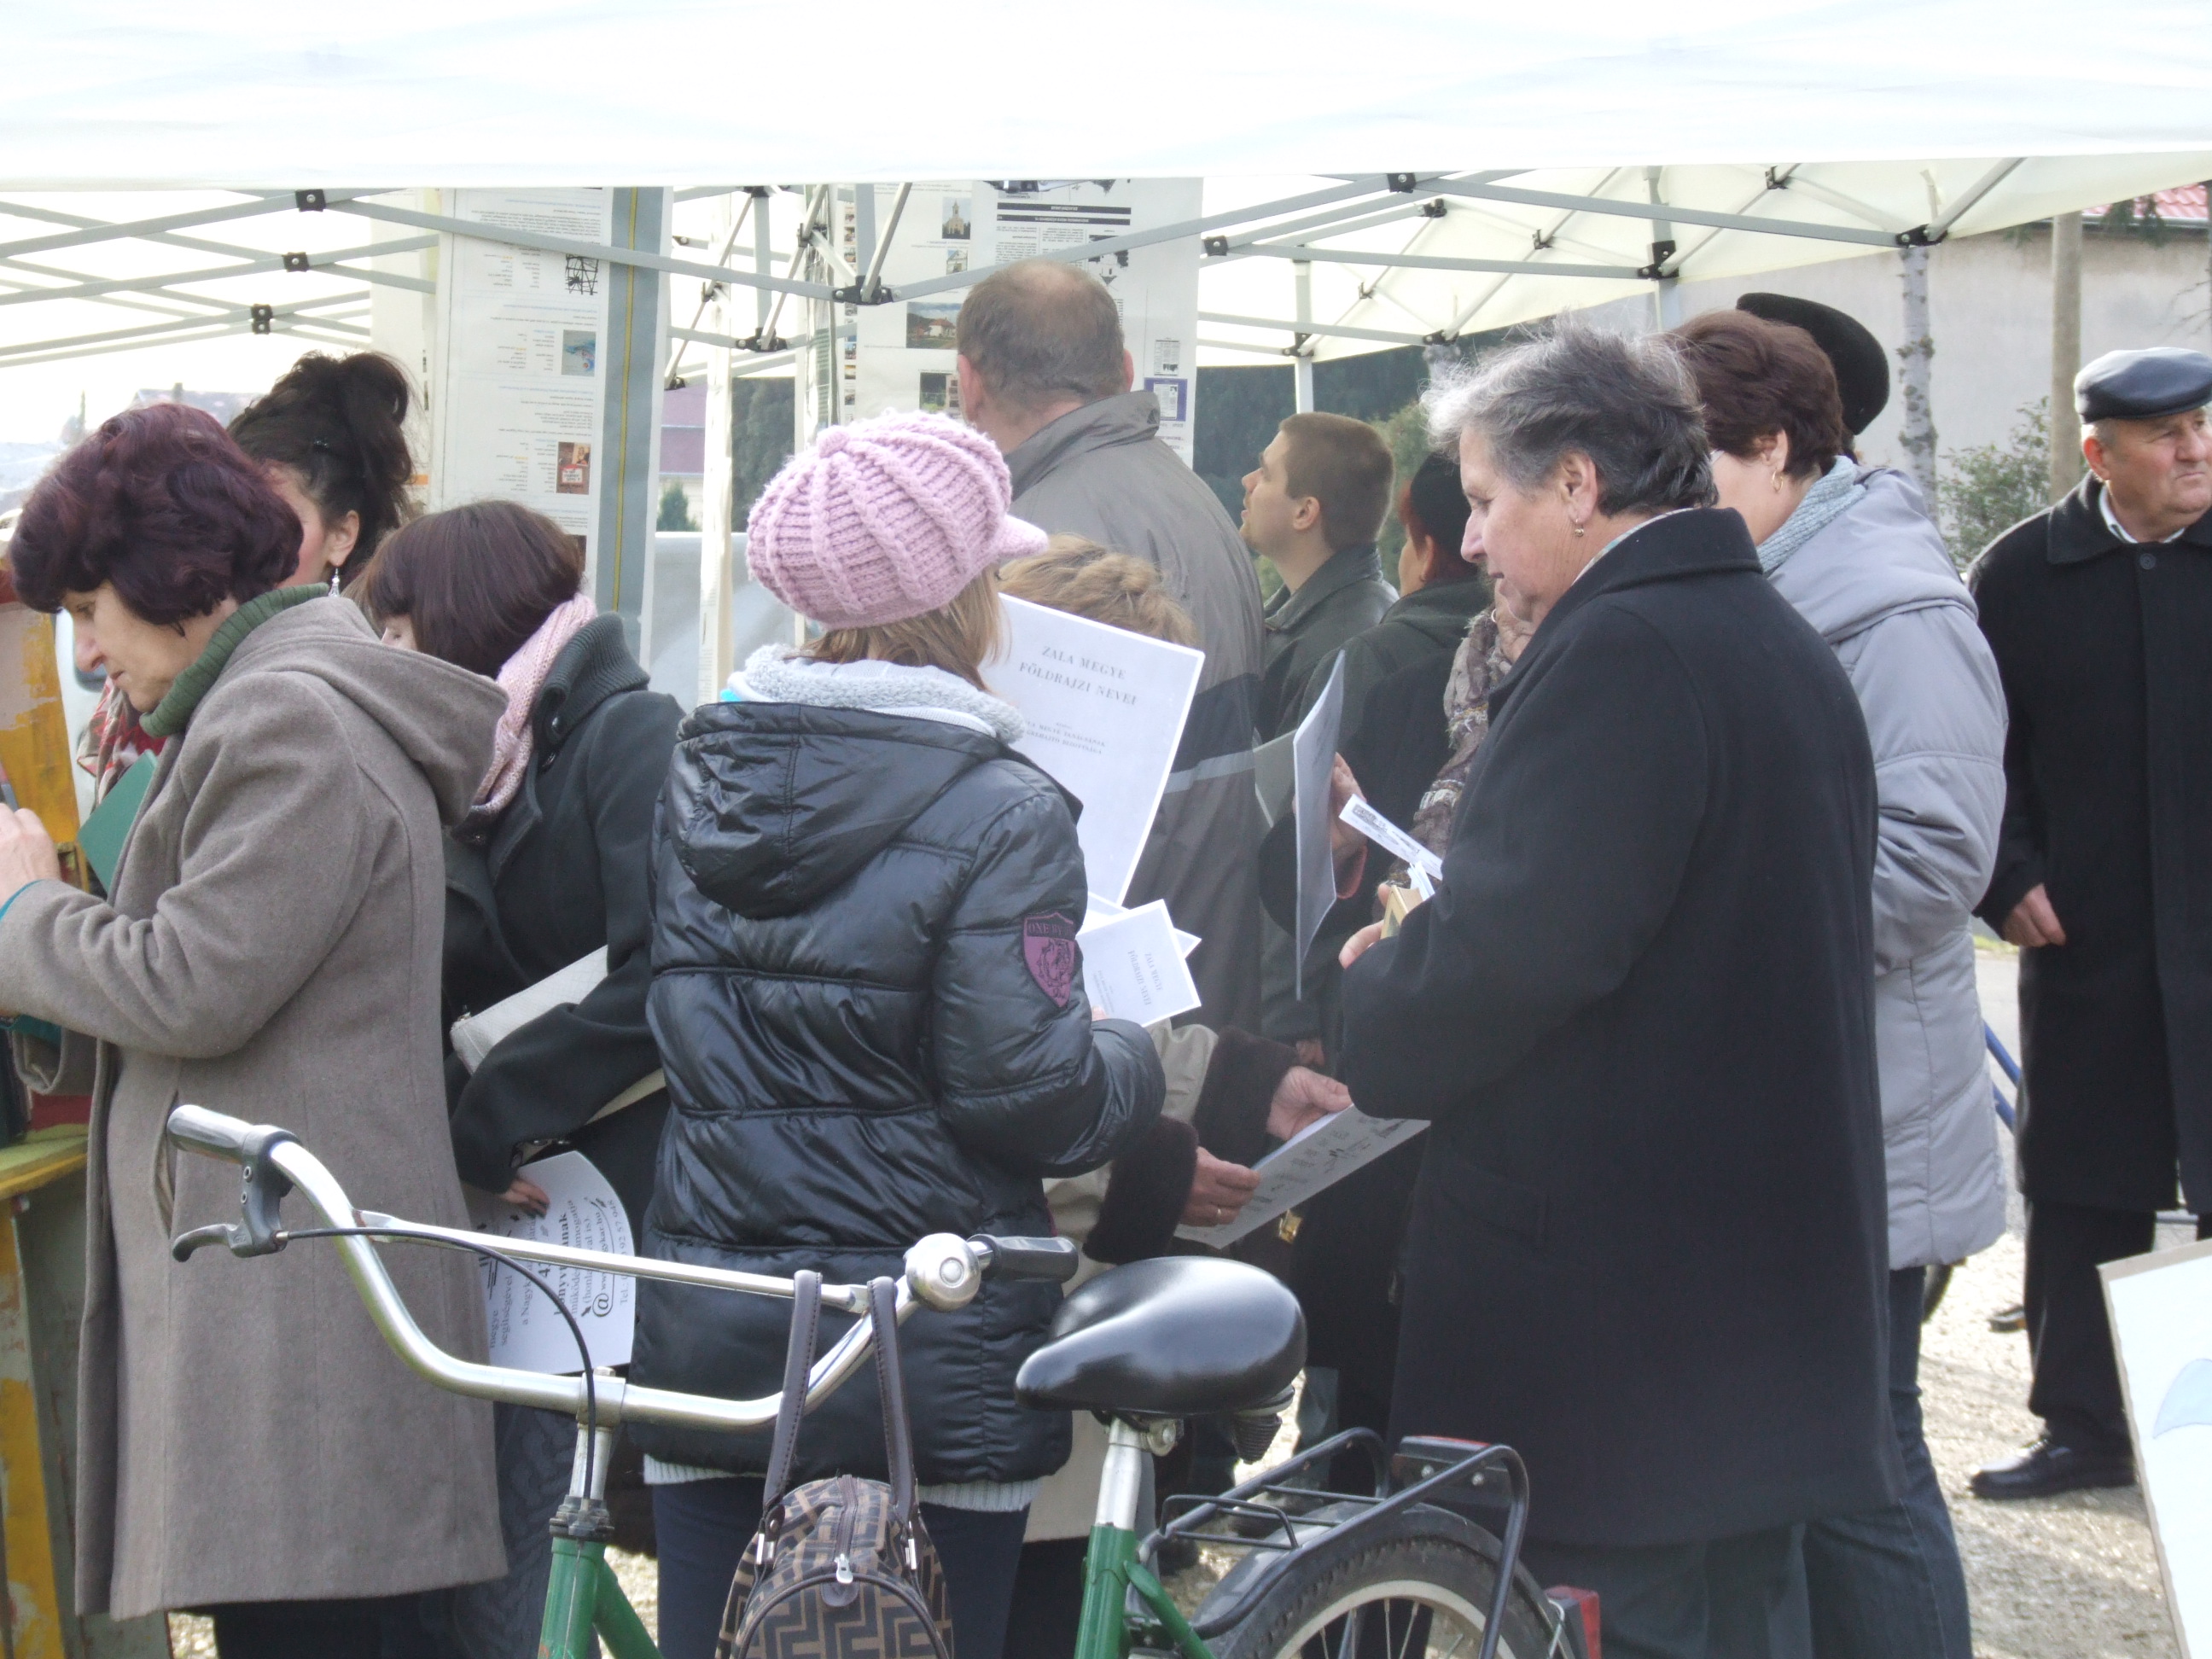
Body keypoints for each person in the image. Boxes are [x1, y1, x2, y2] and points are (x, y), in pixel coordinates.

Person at [1336, 326, 1896, 1659]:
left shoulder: (1624, 651)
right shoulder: (1769, 637)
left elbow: (1514, 956)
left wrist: (1379, 988)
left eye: (1487, 499)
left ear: (1579, 484)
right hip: (1738, 1334)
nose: (1473, 539)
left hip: (1618, 1347)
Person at [626, 412, 1167, 1659]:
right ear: (967, 598)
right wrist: (1128, 1052)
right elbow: (1032, 1097)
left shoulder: (696, 779)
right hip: (928, 1348)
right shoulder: (1006, 809)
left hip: (720, 1336)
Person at [0, 403, 504, 1656]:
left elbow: (192, 983)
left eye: (90, 611)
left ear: (171, 576)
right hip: (292, 1299)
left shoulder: (289, 719)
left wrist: (26, 912)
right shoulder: (274, 698)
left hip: (305, 1327)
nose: (85, 654)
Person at [1675, 305, 2007, 1659]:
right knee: (1818, 1471)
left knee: (1866, 1473)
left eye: (1690, 463)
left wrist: (1715, 932)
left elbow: (1936, 855)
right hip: (1800, 1107)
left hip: (1864, 1120)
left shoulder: (1892, 605)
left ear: (1777, 449)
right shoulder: (1779, 575)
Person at [362, 500, 684, 1659]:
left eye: (397, 631)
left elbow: (665, 976)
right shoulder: (471, 762)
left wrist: (493, 1115)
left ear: (458, 619)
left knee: (533, 1538)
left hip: (601, 1200)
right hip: (495, 1199)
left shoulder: (629, 735)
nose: (386, 657)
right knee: (493, 1535)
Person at [1966, 346, 2212, 1499]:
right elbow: (1977, 749)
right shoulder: (2020, 575)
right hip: (2089, 935)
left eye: (2204, 426)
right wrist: (2006, 874)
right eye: (2168, 436)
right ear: (2099, 454)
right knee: (2080, 1179)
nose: (2197, 450)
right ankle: (2084, 1427)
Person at [956, 259, 1267, 1031]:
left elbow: (1018, 835)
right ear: (1125, 370)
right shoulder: (1199, 502)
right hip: (1205, 966)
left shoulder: (1027, 539)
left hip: (1099, 1006)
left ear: (968, 384)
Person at [72, 351, 417, 812]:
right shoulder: (166, 660)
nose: (249, 543)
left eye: (279, 522)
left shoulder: (358, 680)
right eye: (230, 520)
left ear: (342, 535)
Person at [1241, 412, 1398, 741]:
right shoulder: (1357, 608)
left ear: (1304, 512)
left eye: (1265, 474)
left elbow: (1279, 774)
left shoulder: (1331, 652)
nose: (1248, 481)